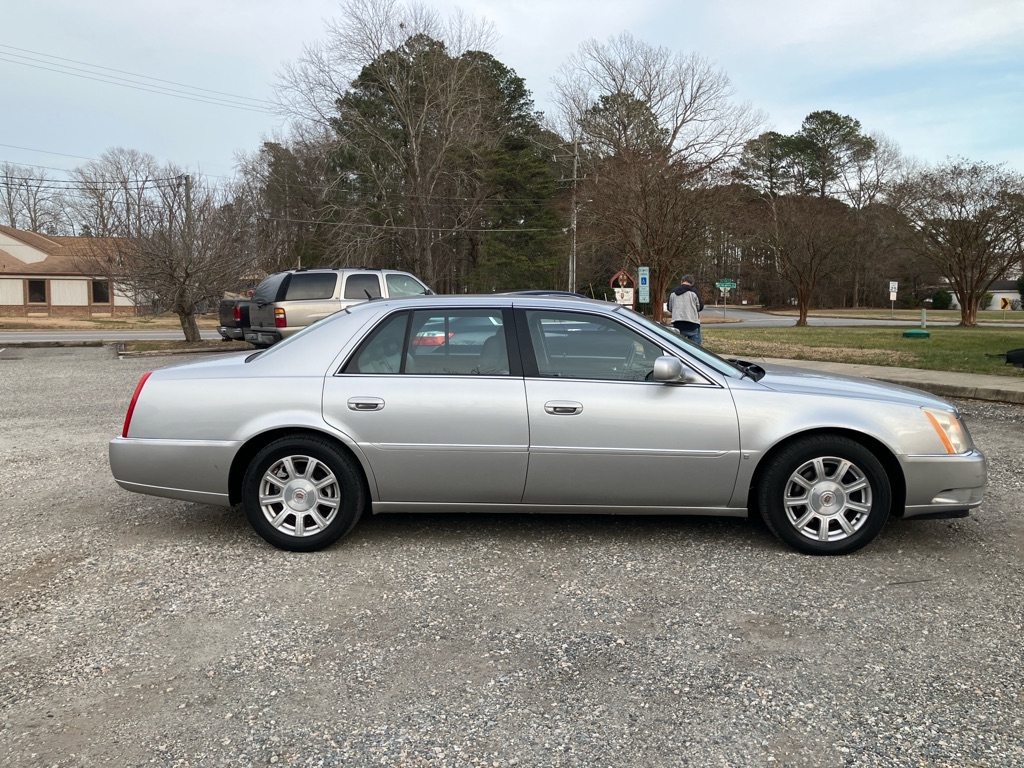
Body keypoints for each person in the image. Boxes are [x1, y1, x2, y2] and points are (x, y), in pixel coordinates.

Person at [668, 274, 704, 345]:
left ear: (681, 281)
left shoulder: (673, 292)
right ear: (692, 283)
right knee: (695, 348)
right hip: (692, 323)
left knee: (679, 346)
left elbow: (669, 307)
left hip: (677, 323)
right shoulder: (694, 292)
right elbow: (700, 307)